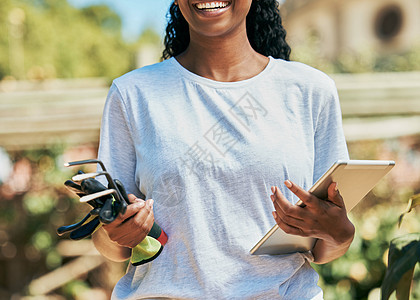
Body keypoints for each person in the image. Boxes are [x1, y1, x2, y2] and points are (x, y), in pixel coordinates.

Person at [92, 0, 355, 299]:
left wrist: (342, 233)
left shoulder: (311, 91)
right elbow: (108, 243)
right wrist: (116, 235)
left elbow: (323, 249)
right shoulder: (132, 94)